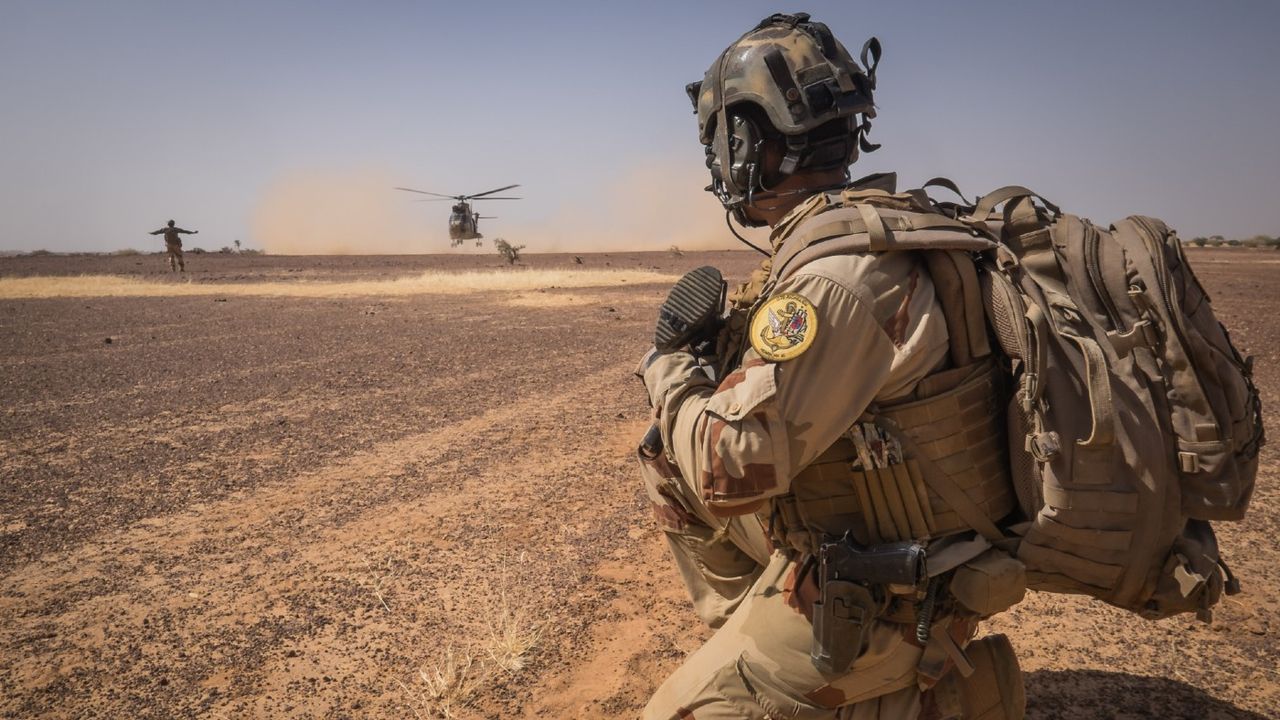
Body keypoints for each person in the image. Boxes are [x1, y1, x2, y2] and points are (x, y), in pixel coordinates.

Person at [637, 13, 1026, 719]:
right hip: (895, 548)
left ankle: (923, 692)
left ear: (749, 142)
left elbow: (728, 472)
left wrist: (670, 369)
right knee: (665, 455)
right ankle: (770, 659)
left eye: (721, 139)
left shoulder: (838, 278)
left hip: (891, 596)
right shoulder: (871, 228)